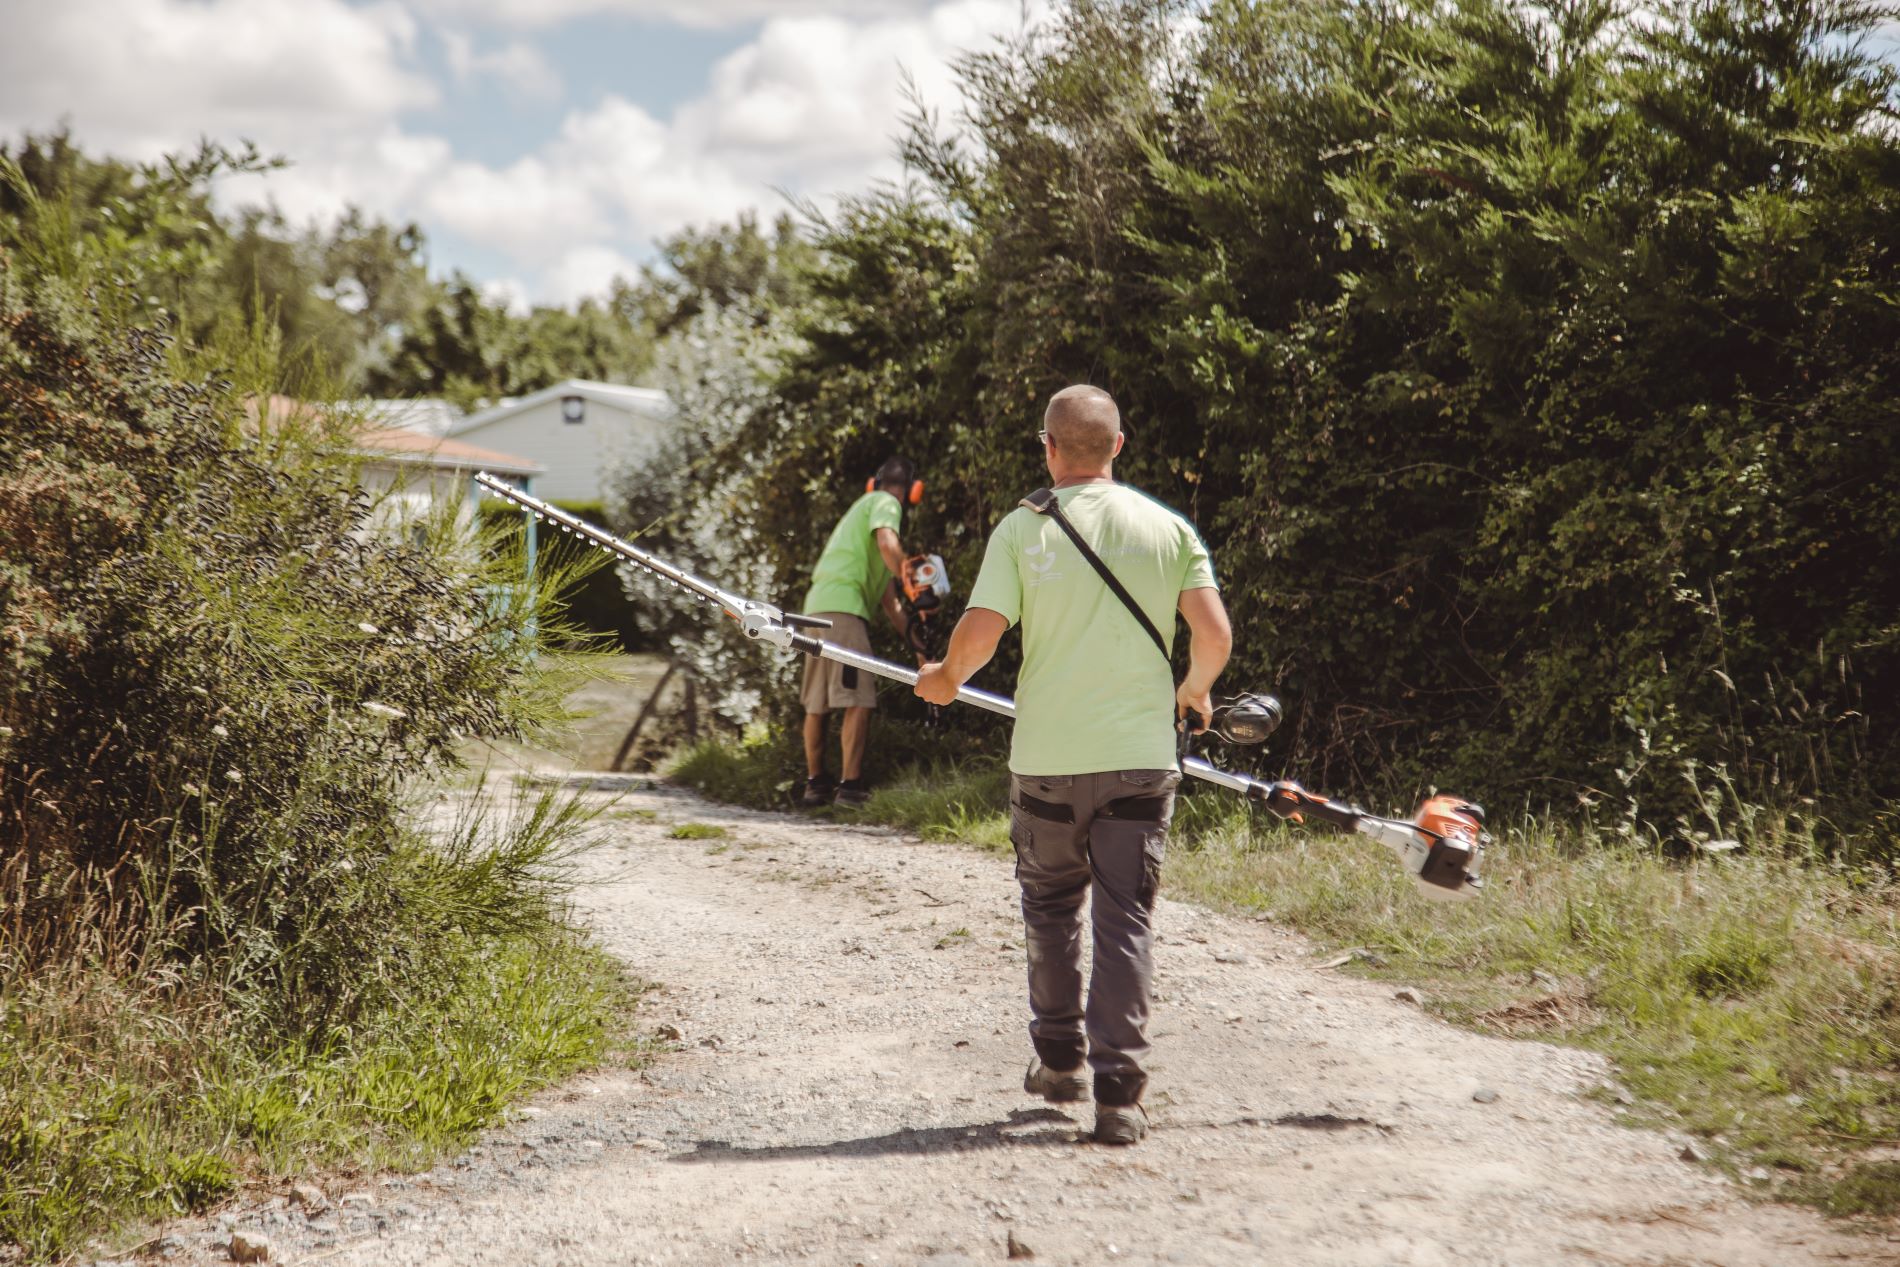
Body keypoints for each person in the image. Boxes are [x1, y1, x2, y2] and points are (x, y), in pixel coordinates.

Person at [914, 385, 1231, 1145]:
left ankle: (1060, 1062)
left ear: (1048, 448)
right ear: (1118, 446)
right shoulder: (1169, 527)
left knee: (1051, 907)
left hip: (1049, 761)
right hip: (1140, 761)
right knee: (1125, 919)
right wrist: (1193, 690)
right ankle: (1120, 1095)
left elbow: (980, 632)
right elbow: (1214, 634)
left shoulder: (1023, 531)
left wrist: (945, 680)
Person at [800, 456, 922, 807]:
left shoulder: (861, 516)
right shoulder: (885, 503)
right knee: (859, 697)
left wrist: (918, 644)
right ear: (913, 492)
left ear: (873, 481)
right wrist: (912, 578)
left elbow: (890, 603)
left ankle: (816, 784)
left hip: (817, 608)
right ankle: (850, 787)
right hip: (844, 611)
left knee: (817, 702)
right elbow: (888, 543)